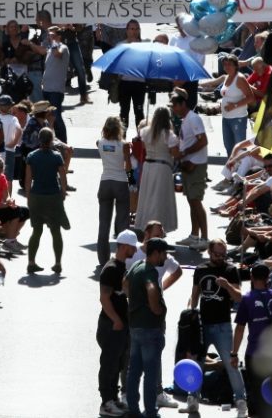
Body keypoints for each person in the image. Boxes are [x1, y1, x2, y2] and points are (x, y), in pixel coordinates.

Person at [190, 239, 248, 417]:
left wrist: (227, 286)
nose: (220, 258)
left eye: (223, 255)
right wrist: (190, 315)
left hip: (222, 325)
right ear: (209, 252)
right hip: (203, 323)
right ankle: (193, 399)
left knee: (231, 364)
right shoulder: (201, 270)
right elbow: (195, 295)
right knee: (197, 363)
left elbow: (239, 298)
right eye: (217, 254)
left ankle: (240, 401)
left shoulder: (230, 270)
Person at [233, 261, 272, 415]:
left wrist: (234, 353)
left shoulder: (247, 299)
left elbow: (240, 328)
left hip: (254, 353)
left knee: (255, 390)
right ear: (268, 278)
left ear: (252, 277)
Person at [124, 237, 171, 418]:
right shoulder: (150, 272)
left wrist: (135, 301)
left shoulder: (137, 266)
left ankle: (133, 410)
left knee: (133, 371)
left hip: (135, 326)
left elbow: (125, 284)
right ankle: (151, 412)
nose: (165, 257)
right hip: (150, 329)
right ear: (156, 253)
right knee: (150, 374)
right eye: (164, 253)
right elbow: (151, 288)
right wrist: (156, 309)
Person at [97, 229, 138, 418]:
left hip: (121, 325)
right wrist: (116, 320)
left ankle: (113, 398)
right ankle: (106, 403)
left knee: (118, 363)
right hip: (111, 325)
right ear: (124, 246)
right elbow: (104, 298)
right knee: (109, 364)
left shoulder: (122, 267)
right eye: (132, 247)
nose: (135, 250)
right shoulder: (111, 268)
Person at [24, 127, 68, 274]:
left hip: (36, 196)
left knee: (36, 231)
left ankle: (31, 262)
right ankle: (58, 263)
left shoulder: (31, 156)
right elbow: (63, 176)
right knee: (56, 231)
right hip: (53, 197)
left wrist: (29, 197)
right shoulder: (56, 156)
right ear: (51, 140)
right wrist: (63, 191)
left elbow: (28, 179)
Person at [132, 107, 180, 237]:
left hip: (148, 166)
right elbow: (175, 153)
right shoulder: (169, 135)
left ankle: (147, 226)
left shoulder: (145, 132)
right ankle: (157, 230)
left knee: (148, 198)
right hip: (162, 168)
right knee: (159, 200)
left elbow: (143, 146)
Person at [173, 90, 209, 247]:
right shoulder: (186, 119)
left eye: (175, 106)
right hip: (188, 165)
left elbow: (203, 141)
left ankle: (205, 239)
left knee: (196, 202)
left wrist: (185, 152)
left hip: (196, 165)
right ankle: (195, 236)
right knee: (191, 201)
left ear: (183, 104)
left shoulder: (193, 119)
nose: (173, 109)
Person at [96, 116, 132, 266]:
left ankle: (103, 259)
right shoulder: (123, 145)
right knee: (122, 221)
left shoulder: (100, 143)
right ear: (119, 129)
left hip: (105, 182)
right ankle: (121, 257)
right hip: (120, 182)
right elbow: (128, 167)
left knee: (104, 223)